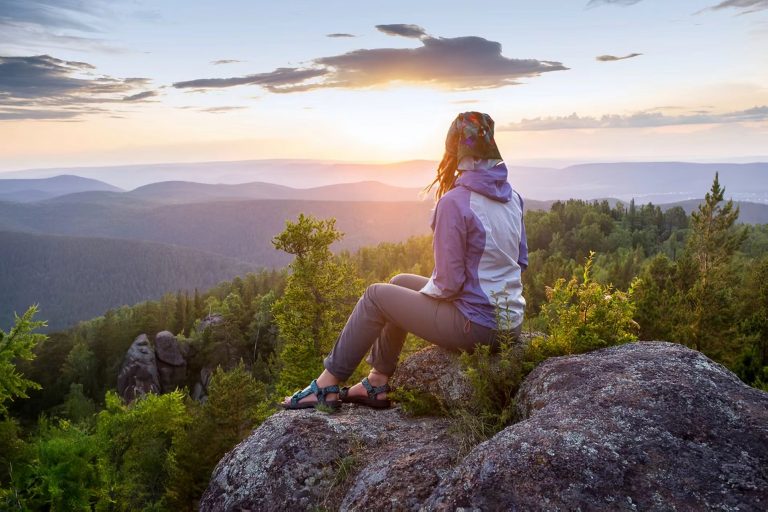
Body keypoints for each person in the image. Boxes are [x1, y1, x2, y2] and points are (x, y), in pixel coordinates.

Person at [282, 111, 528, 410]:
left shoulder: (455, 202)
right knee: (399, 283)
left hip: (478, 326)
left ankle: (326, 386)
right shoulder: (513, 197)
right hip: (508, 322)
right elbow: (520, 262)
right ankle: (377, 381)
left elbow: (448, 285)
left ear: (454, 149)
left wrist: (425, 300)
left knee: (376, 296)